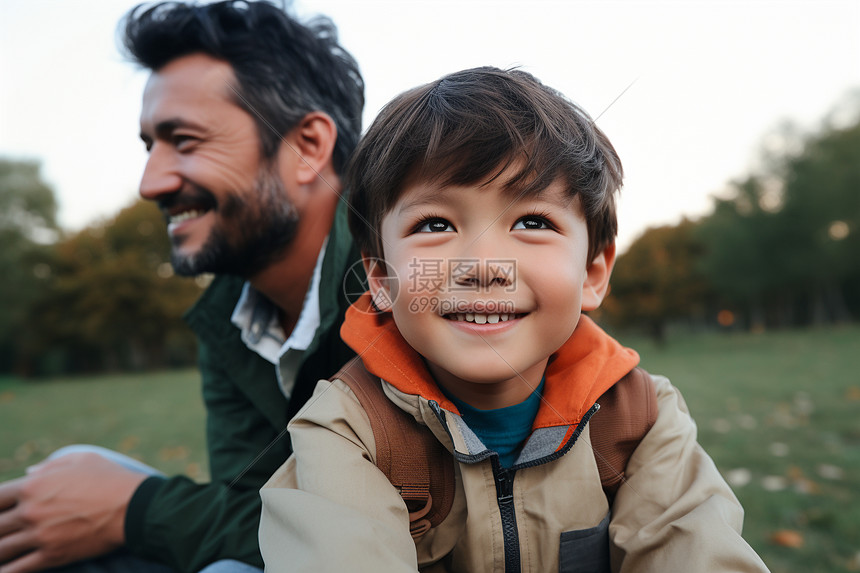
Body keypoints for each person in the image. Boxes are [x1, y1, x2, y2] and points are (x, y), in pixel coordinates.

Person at [258, 67, 770, 572]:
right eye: (434, 223)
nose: (483, 266)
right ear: (380, 278)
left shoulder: (641, 419)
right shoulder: (345, 429)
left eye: (532, 221)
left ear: (592, 272)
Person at [0, 2, 364, 572]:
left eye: (185, 141)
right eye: (150, 145)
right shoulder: (227, 316)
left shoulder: (405, 283)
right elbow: (249, 510)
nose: (151, 183)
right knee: (64, 495)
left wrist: (136, 509)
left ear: (307, 147)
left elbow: (421, 537)